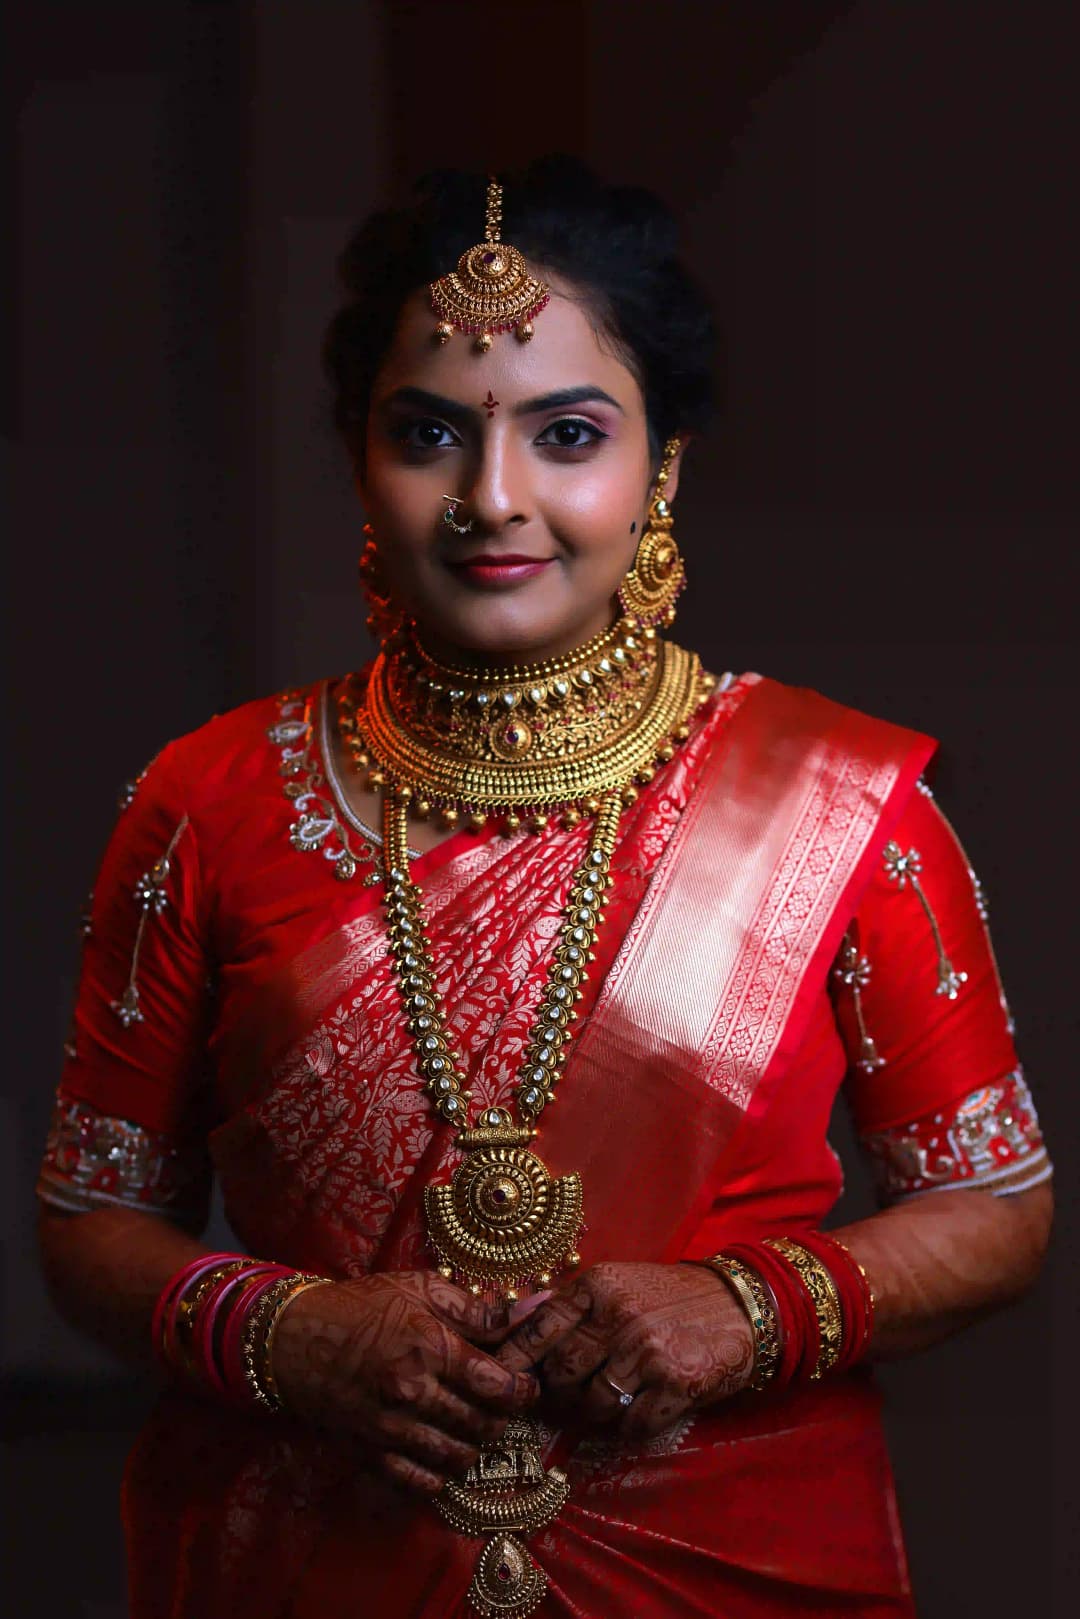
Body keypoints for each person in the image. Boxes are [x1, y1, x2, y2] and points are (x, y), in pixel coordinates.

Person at [38, 158, 1052, 1619]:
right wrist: (289, 1331)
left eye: (569, 434)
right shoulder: (206, 802)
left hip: (737, 1553)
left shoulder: (842, 802)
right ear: (358, 458)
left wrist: (747, 1310)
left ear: (662, 469)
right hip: (312, 1555)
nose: (494, 498)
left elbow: (996, 1205)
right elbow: (89, 1225)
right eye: (430, 434)